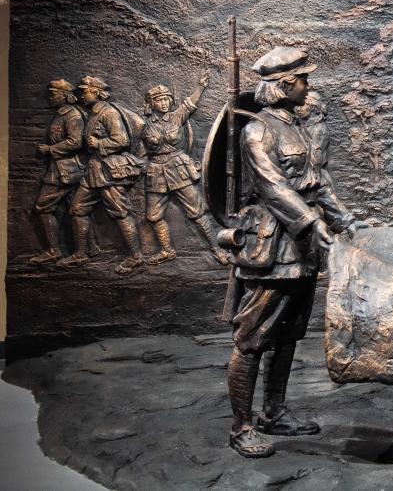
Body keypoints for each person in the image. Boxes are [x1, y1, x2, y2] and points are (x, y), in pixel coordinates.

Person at [227, 46, 361, 459]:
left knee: (287, 335)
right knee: (251, 338)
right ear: (285, 85)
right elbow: (274, 188)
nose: (308, 85)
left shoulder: (298, 126)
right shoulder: (258, 131)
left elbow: (317, 182)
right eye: (303, 79)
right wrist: (313, 222)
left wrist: (346, 221)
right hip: (271, 246)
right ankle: (241, 426)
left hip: (301, 249)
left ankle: (274, 412)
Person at [60, 76, 147, 275]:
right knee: (78, 209)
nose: (82, 95)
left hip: (109, 172)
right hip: (94, 171)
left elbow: (122, 140)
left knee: (121, 213)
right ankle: (81, 253)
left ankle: (136, 257)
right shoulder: (93, 112)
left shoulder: (109, 113)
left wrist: (98, 143)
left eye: (85, 91)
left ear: (96, 92)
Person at [142, 73, 230, 266]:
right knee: (153, 216)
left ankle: (217, 249)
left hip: (178, 168)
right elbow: (140, 149)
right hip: (156, 171)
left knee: (197, 212)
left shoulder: (177, 116)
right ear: (151, 103)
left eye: (166, 99)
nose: (164, 103)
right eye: (159, 100)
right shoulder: (144, 124)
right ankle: (167, 250)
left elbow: (190, 104)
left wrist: (201, 86)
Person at [30, 79, 86, 263]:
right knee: (75, 209)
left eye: (53, 94)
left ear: (64, 95)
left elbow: (75, 142)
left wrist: (50, 149)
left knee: (43, 207)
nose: (50, 98)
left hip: (65, 170)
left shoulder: (72, 115)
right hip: (62, 168)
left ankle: (54, 251)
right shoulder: (61, 114)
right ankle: (89, 249)